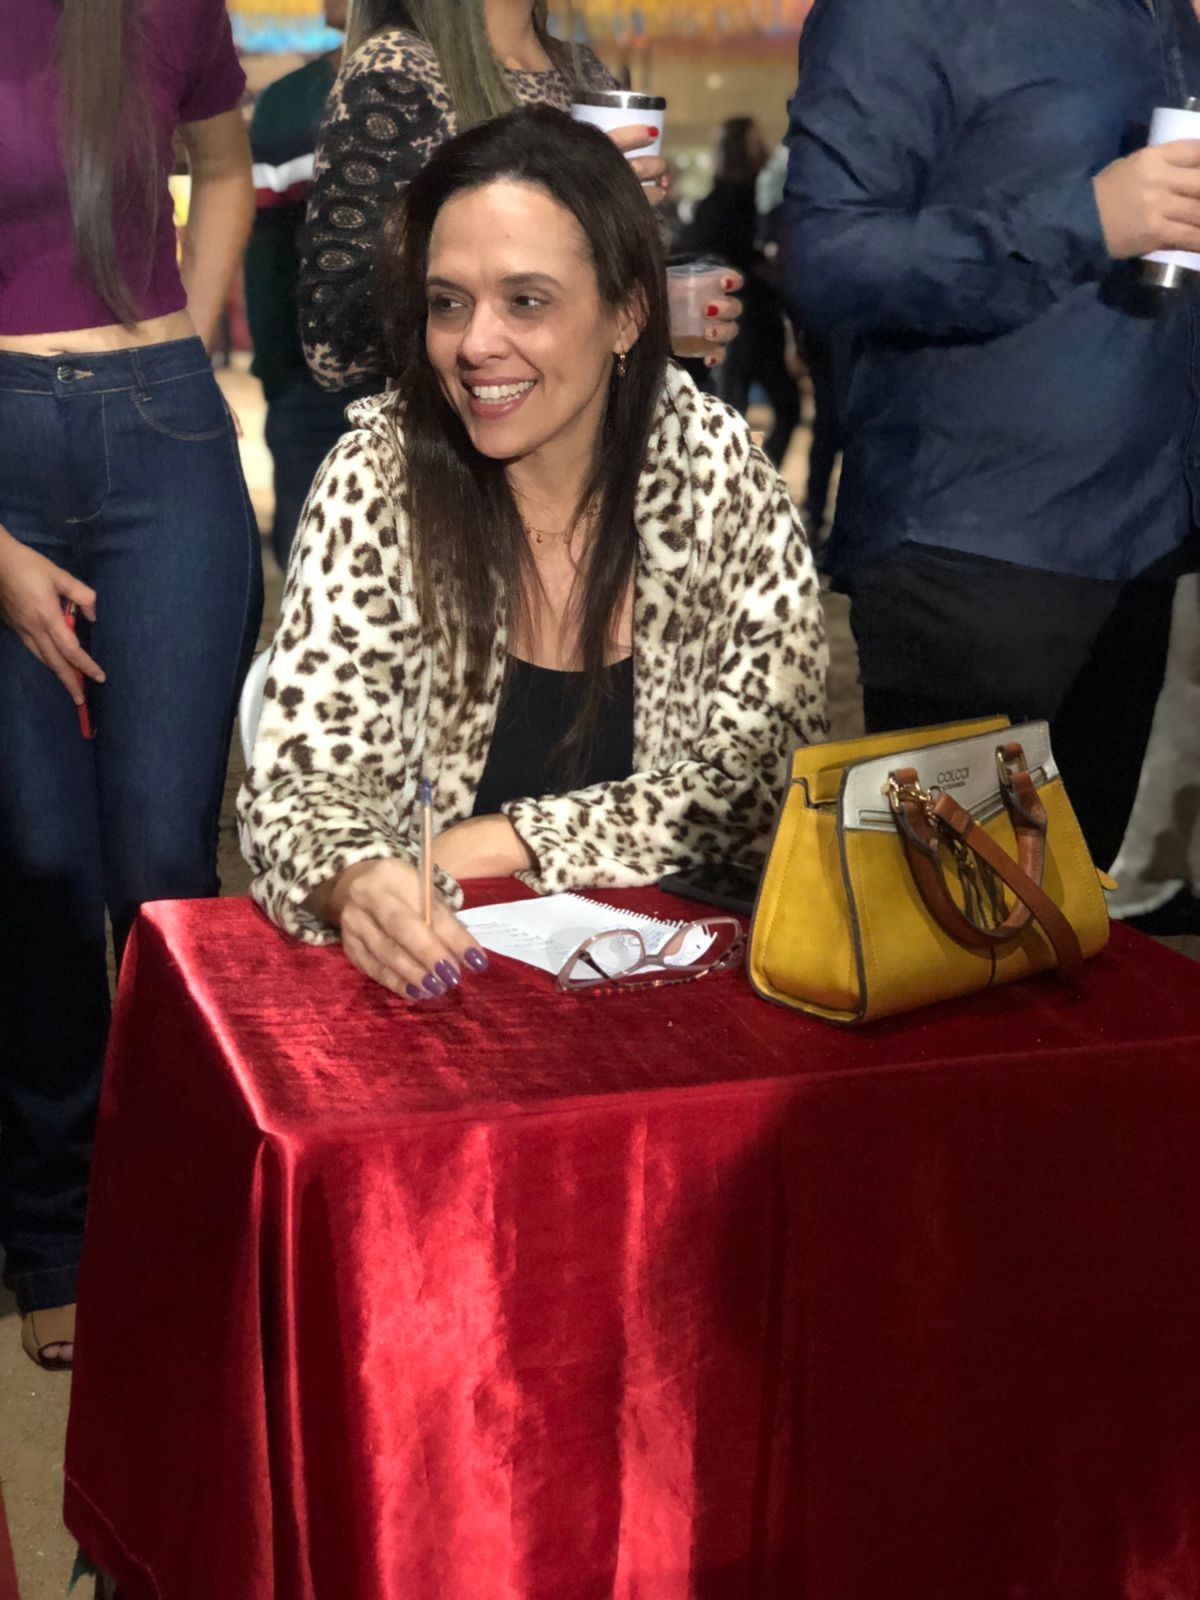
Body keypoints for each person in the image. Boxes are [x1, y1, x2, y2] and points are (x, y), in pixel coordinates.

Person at [239, 108, 827, 998]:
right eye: (448, 303)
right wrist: (360, 880)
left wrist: (507, 840)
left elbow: (761, 790)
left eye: (526, 301)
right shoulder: (381, 477)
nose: (476, 344)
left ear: (628, 314)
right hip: (433, 1001)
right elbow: (299, 794)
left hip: (683, 1006)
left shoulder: (719, 479)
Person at [781, 0, 1200, 872]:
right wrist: (1086, 220)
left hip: (1143, 545)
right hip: (971, 552)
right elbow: (828, 260)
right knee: (949, 922)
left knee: (1073, 910)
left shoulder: (1160, 14)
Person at [0, 0, 262, 1368]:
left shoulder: (168, 6)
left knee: (164, 864)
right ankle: (55, 1230)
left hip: (166, 435)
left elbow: (226, 167)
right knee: (40, 865)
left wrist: (192, 349)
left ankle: (187, 1195)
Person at [298, 0, 742, 392]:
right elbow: (336, 340)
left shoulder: (583, 72)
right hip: (462, 439)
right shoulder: (397, 70)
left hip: (594, 437)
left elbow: (593, 283)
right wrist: (562, 201)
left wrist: (655, 302)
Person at [246, 0, 362, 572]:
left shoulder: (458, 85)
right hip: (308, 389)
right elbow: (264, 256)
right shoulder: (287, 102)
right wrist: (279, 378)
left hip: (436, 386)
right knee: (311, 575)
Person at [688, 117, 799, 469]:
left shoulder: (711, 204)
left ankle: (737, 484)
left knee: (730, 410)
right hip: (753, 319)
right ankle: (756, 481)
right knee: (782, 406)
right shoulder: (756, 199)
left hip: (723, 322)